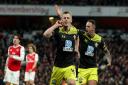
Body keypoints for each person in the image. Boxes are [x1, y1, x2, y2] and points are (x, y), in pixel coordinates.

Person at [43, 9, 79, 85]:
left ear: (71, 20)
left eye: (68, 18)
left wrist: (76, 48)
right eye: (64, 18)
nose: (66, 19)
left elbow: (77, 38)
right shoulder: (57, 31)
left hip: (69, 66)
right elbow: (45, 34)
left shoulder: (74, 31)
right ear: (61, 20)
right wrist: (55, 25)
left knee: (72, 83)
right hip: (57, 67)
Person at [78, 19, 111, 85]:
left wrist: (109, 61)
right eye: (86, 26)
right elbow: (71, 28)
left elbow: (106, 51)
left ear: (93, 27)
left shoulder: (99, 39)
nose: (86, 28)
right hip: (82, 69)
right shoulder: (82, 34)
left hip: (93, 68)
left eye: (88, 26)